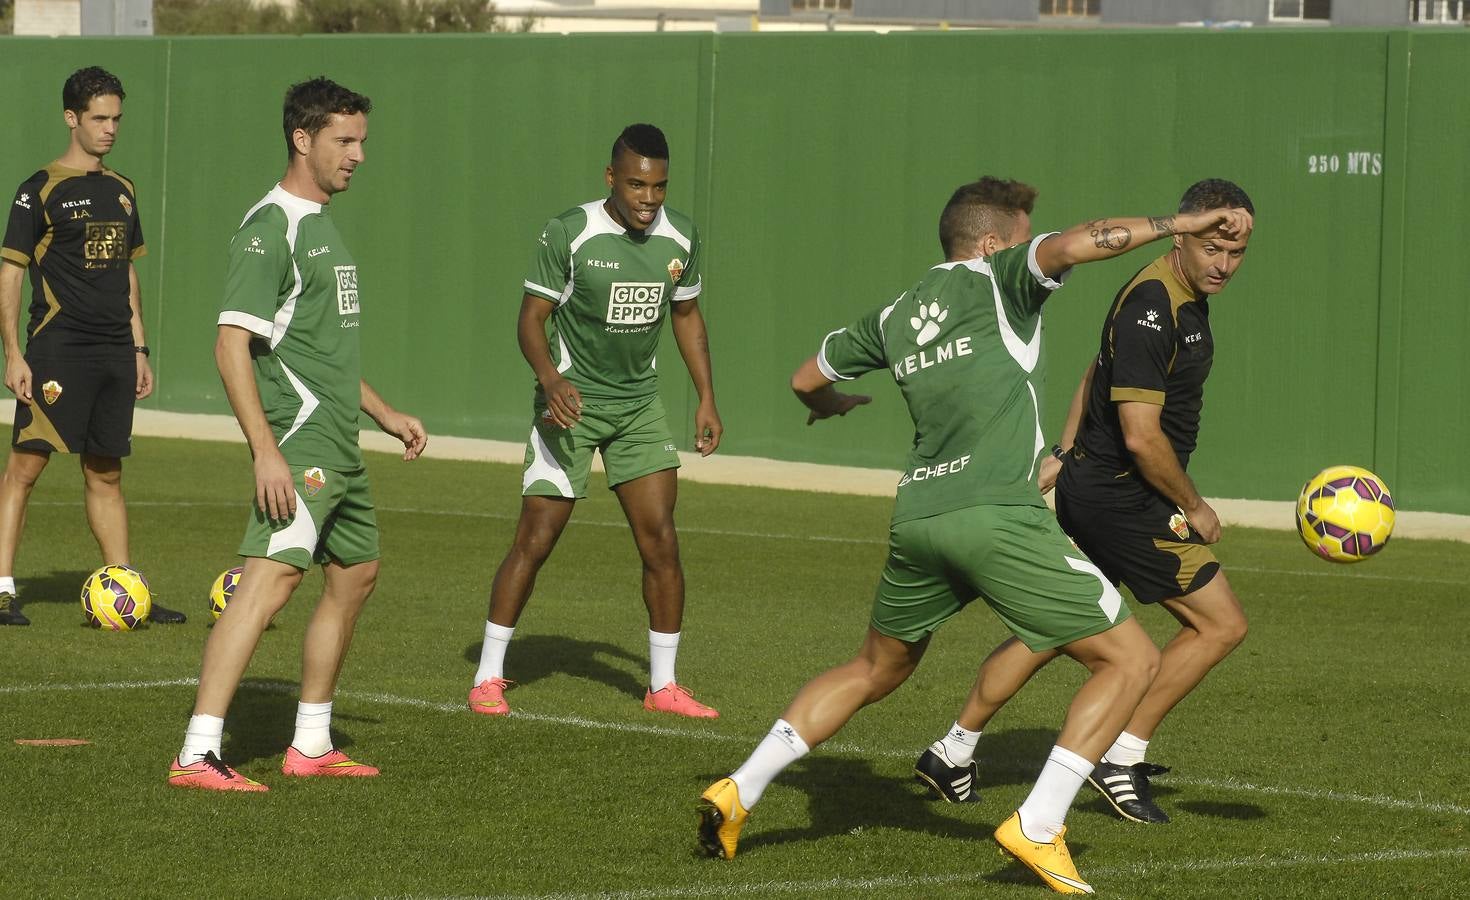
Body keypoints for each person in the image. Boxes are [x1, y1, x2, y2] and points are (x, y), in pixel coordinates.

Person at [697, 176, 1252, 895]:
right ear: (992, 243)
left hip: (920, 518)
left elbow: (806, 377)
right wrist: (1183, 219)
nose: (1036, 248)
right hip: (996, 513)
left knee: (874, 668)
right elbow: (1089, 239)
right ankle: (1040, 824)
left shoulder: (895, 316)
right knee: (1131, 662)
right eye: (1026, 236)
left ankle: (739, 788)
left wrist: (833, 404)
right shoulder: (1001, 278)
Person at [913, 179, 1255, 827]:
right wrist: (1195, 504)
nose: (1224, 264)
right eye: (1213, 246)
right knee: (1219, 624)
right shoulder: (1154, 307)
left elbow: (1098, 372)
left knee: (1048, 628)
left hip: (1098, 486)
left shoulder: (1176, 296)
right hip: (1129, 496)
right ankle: (1120, 756)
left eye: (1236, 254)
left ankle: (952, 750)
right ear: (1183, 233)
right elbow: (1140, 434)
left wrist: (1066, 455)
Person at [168, 77, 427, 792]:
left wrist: (382, 412)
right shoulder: (269, 228)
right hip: (300, 445)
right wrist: (266, 451)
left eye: (363, 141)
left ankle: (311, 742)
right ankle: (197, 753)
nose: (359, 155)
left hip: (341, 441)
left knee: (356, 576)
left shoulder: (322, 222)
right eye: (345, 141)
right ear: (302, 139)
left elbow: (314, 347)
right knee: (269, 584)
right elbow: (231, 345)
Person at [467, 123, 723, 720]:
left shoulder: (681, 234)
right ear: (612, 178)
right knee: (536, 539)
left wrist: (706, 397)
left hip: (640, 408)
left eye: (658, 186)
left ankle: (663, 686)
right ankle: (488, 675)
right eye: (636, 184)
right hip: (572, 407)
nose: (648, 198)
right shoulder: (570, 233)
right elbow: (531, 318)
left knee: (660, 539)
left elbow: (686, 316)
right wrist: (551, 380)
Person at [0, 66, 185, 626]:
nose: (110, 129)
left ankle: (125, 587)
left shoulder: (123, 191)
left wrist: (140, 348)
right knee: (26, 469)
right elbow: (10, 275)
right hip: (57, 349)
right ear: (71, 118)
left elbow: (127, 274)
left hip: (114, 354)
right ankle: (3, 587)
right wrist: (13, 353)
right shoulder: (39, 191)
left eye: (116, 119)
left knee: (106, 472)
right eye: (99, 118)